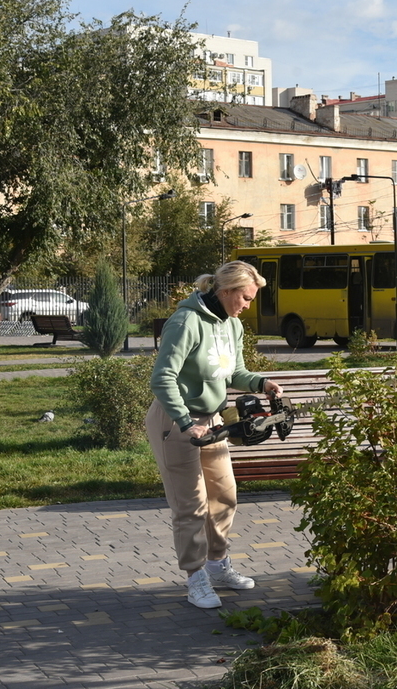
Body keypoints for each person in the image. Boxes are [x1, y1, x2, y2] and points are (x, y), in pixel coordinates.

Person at [147, 260, 283, 609]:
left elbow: (233, 371)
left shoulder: (231, 324)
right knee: (190, 506)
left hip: (213, 422)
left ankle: (218, 565)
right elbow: (163, 377)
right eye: (246, 298)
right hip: (175, 423)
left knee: (224, 496)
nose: (247, 306)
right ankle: (195, 578)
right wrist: (184, 421)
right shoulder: (186, 322)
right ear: (225, 292)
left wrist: (261, 382)